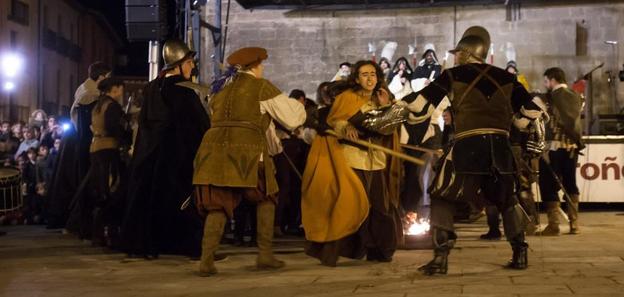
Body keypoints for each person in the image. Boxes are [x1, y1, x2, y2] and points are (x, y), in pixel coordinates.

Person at [402, 26, 544, 275]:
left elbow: (420, 103)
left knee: (442, 197)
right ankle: (519, 253)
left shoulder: (453, 75)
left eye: (458, 52)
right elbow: (533, 111)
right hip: (500, 149)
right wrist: (521, 128)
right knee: (507, 201)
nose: (455, 56)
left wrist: (386, 116)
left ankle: (440, 258)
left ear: (466, 53)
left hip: (467, 148)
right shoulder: (508, 78)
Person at [193, 47, 306, 276]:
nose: (262, 68)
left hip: (213, 151)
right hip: (249, 151)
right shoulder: (261, 87)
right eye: (261, 65)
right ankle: (264, 255)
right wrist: (300, 107)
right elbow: (293, 119)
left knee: (219, 204)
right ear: (254, 66)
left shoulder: (219, 89)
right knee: (266, 198)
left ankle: (206, 260)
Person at [302, 60, 404, 267]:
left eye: (373, 74)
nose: (370, 78)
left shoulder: (383, 98)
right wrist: (345, 126)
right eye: (365, 74)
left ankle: (379, 250)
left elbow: (390, 128)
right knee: (351, 205)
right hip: (352, 158)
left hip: (375, 160)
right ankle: (330, 251)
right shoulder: (347, 98)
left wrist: (386, 107)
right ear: (356, 78)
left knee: (380, 208)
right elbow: (334, 121)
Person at [121, 40, 210, 258]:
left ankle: (149, 245)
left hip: (149, 158)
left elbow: (144, 123)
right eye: (189, 62)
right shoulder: (184, 90)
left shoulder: (152, 87)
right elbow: (199, 126)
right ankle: (187, 247)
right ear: (178, 64)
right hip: (175, 159)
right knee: (182, 202)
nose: (192, 67)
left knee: (149, 201)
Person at [45, 62, 111, 229]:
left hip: (74, 138)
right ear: (102, 77)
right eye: (108, 77)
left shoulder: (85, 88)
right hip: (78, 139)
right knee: (75, 180)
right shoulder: (91, 94)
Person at [66, 77, 130, 246]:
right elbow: (114, 128)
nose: (122, 92)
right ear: (114, 88)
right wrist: (126, 137)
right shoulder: (111, 106)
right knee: (111, 190)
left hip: (96, 149)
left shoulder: (98, 104)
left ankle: (98, 232)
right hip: (108, 149)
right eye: (120, 88)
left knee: (102, 190)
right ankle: (107, 233)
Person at [538, 67, 583, 236]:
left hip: (551, 149)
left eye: (546, 81)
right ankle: (574, 224)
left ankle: (554, 225)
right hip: (571, 147)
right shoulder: (577, 97)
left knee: (548, 184)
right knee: (570, 183)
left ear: (552, 80)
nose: (545, 84)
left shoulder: (548, 98)